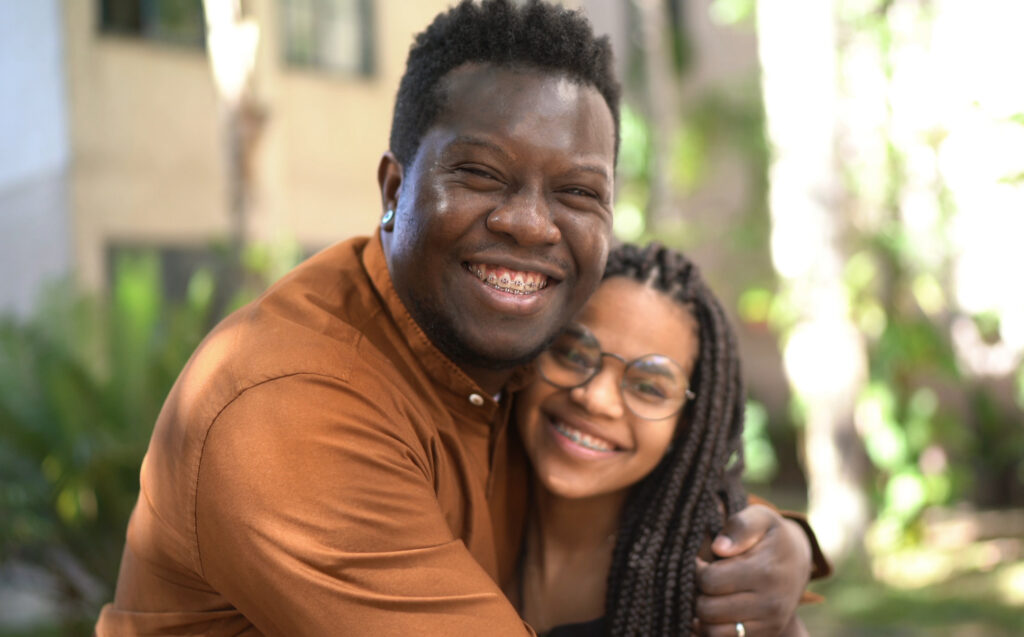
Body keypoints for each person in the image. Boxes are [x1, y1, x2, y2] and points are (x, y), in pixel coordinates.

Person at [96, 1, 825, 634]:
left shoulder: (517, 365)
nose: (531, 224)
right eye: (480, 174)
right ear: (394, 186)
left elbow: (645, 465)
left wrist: (779, 544)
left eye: (577, 192)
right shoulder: (289, 405)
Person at [511, 243, 822, 636]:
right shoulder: (466, 492)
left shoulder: (721, 584)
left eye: (649, 388)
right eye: (573, 355)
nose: (595, 398)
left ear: (686, 424)